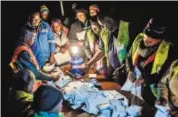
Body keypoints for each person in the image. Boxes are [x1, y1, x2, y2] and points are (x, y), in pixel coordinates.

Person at [125, 18, 177, 106]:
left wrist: (145, 80)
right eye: (145, 37)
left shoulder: (167, 50)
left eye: (150, 41)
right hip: (134, 86)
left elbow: (164, 75)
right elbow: (129, 57)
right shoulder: (138, 39)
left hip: (152, 90)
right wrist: (130, 69)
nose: (146, 41)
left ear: (159, 40)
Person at [79, 14, 131, 78]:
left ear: (110, 19)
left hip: (126, 71)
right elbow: (101, 50)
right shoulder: (104, 31)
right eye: (102, 25)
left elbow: (131, 53)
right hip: (113, 69)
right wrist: (89, 64)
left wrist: (128, 69)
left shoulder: (128, 28)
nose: (103, 27)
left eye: (104, 24)